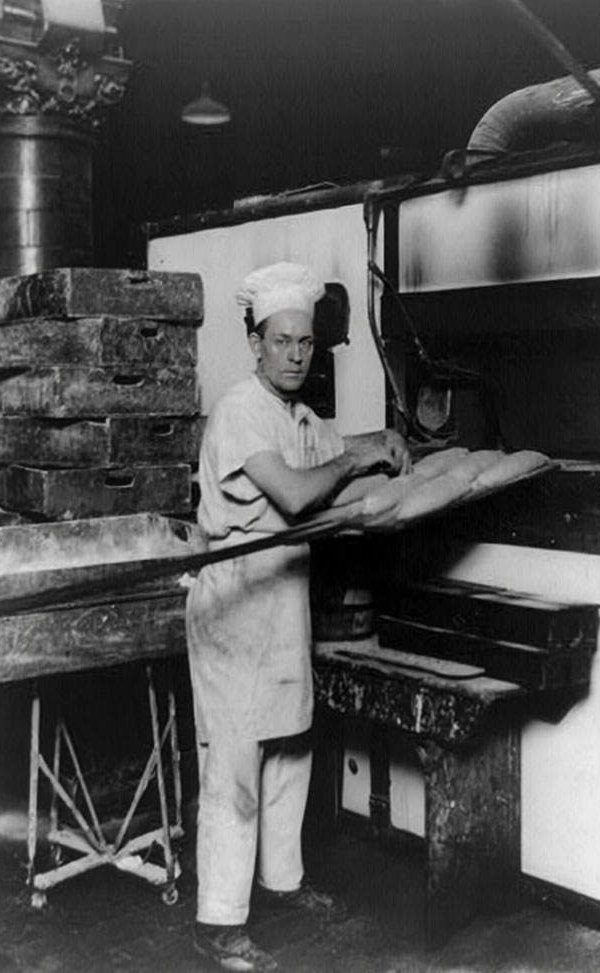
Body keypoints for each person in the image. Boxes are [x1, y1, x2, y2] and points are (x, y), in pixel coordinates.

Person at [186, 261, 410, 972]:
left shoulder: (302, 419)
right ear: (256, 343)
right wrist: (358, 456)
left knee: (290, 747)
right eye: (280, 341)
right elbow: (294, 492)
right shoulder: (238, 411)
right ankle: (219, 920)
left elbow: (335, 470)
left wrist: (383, 453)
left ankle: (283, 882)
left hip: (284, 604)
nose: (293, 354)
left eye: (304, 344)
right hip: (234, 605)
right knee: (237, 765)